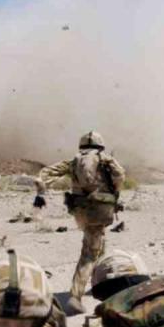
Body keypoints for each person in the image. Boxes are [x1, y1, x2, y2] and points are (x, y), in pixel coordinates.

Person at [33, 131, 126, 314]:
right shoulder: (105, 160)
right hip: (99, 211)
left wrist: (42, 189)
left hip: (80, 211)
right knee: (89, 254)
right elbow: (120, 175)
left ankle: (99, 282)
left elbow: (46, 173)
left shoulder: (74, 161)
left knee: (98, 242)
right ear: (100, 145)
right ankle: (75, 296)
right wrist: (112, 191)